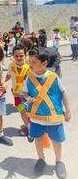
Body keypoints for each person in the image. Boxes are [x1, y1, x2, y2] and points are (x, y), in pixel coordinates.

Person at [21, 48, 71, 178]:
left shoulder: (53, 77)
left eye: (33, 62)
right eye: (29, 61)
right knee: (38, 139)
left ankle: (59, 161)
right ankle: (41, 159)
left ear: (44, 63)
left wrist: (68, 111)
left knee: (56, 140)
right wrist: (27, 98)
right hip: (36, 118)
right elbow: (24, 92)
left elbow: (63, 92)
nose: (30, 64)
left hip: (54, 118)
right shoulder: (29, 78)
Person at [3, 44, 33, 142]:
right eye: (16, 56)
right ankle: (29, 129)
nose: (19, 58)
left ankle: (32, 128)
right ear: (13, 56)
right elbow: (8, 76)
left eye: (21, 55)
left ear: (25, 55)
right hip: (16, 95)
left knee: (30, 112)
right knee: (22, 112)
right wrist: (3, 82)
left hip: (29, 95)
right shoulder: (11, 66)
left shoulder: (29, 67)